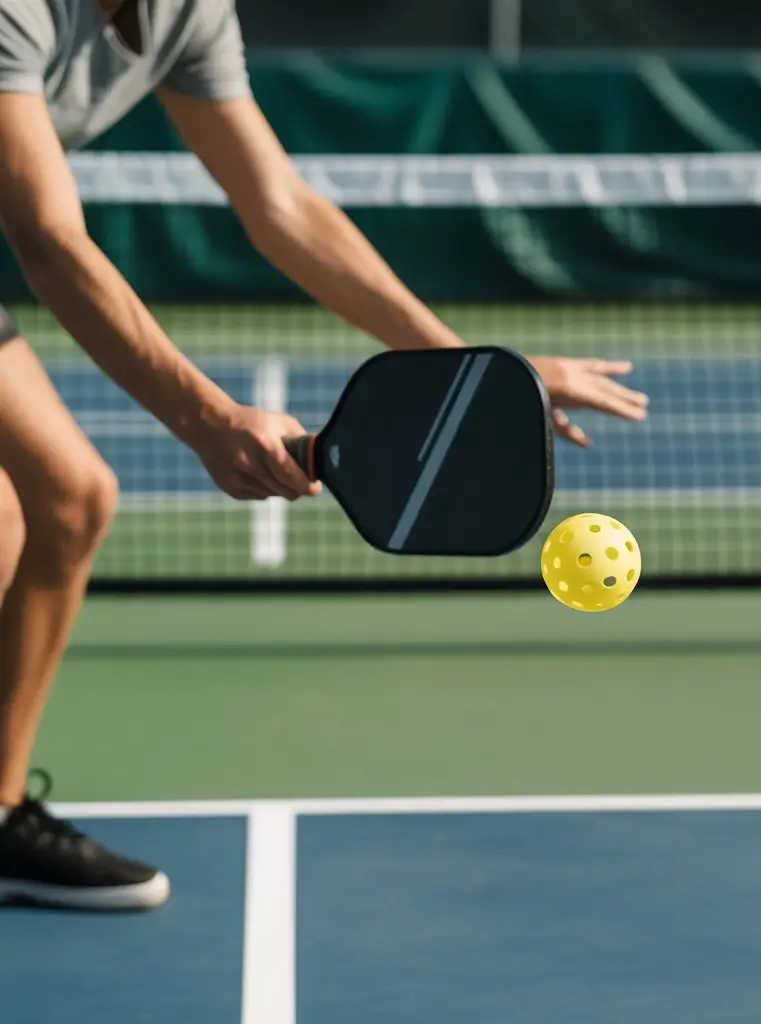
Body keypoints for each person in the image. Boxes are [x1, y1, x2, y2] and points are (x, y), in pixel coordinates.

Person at [0, 0, 649, 911]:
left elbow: (279, 207)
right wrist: (205, 417)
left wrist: (463, 377)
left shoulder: (188, 12)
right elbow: (49, 239)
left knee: (70, 502)